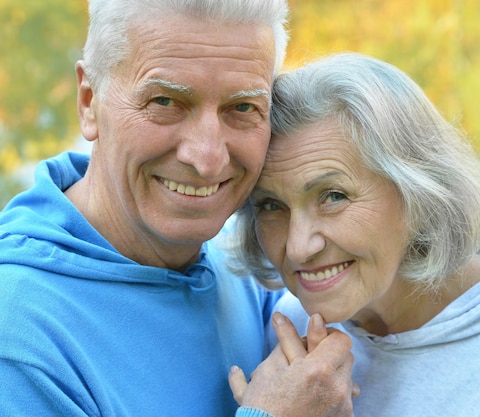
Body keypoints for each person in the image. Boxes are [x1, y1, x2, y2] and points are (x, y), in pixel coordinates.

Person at [0, 1, 356, 416]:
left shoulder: (241, 254)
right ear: (89, 101)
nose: (207, 159)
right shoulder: (20, 337)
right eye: (165, 102)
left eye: (242, 108)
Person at [227, 52, 480, 416]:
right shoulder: (293, 324)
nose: (297, 248)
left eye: (333, 196)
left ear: (419, 193)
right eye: (270, 205)